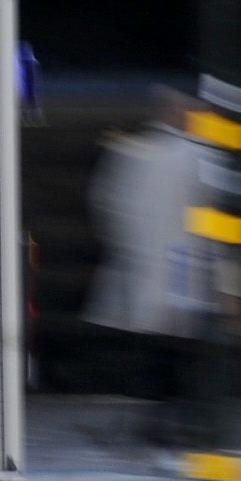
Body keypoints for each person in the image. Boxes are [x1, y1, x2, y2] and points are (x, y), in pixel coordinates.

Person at [88, 85, 209, 447]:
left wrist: (126, 247)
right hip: (183, 265)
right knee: (178, 348)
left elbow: (107, 202)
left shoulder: (135, 151)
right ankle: (167, 421)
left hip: (141, 265)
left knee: (154, 348)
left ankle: (155, 418)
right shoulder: (196, 155)